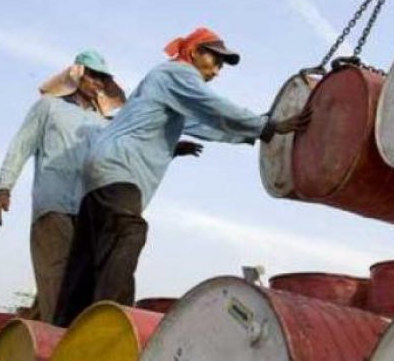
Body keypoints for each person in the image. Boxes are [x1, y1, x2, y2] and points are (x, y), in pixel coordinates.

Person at [53, 27, 312, 325]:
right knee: (128, 231)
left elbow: (203, 123)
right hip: (119, 169)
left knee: (85, 258)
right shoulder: (178, 73)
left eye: (221, 66)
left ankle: (61, 330)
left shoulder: (167, 83)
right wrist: (266, 126)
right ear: (193, 52)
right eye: (214, 60)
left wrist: (252, 134)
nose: (216, 71)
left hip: (100, 171)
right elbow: (212, 107)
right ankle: (108, 320)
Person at [0, 49, 126, 323]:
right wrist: (3, 188)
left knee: (80, 279)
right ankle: (60, 339)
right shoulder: (49, 107)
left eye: (103, 80)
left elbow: (130, 148)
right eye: (94, 77)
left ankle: (37, 332)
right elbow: (21, 145)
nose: (98, 84)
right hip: (54, 203)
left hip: (88, 209)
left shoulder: (102, 122)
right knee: (58, 274)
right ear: (78, 74)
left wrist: (171, 148)